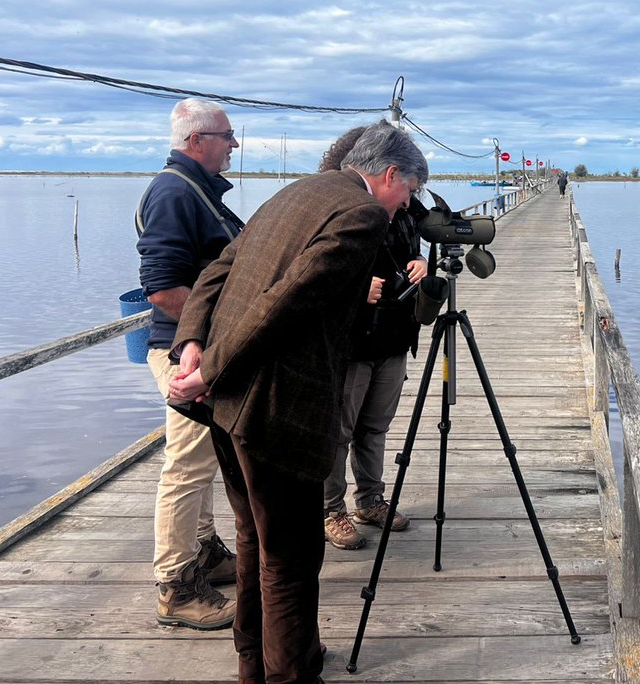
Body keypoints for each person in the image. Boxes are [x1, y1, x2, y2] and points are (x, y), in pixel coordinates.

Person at [169, 120, 428, 684]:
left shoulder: (296, 192)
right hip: (276, 408)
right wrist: (205, 368)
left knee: (252, 536)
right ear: (389, 176)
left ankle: (254, 665)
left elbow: (218, 271)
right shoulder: (361, 215)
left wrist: (191, 345)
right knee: (290, 557)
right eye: (406, 193)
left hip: (228, 404)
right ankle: (291, 673)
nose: (404, 207)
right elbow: (289, 301)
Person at [136, 98, 244, 630]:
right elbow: (161, 287)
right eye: (227, 136)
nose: (234, 145)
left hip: (198, 347)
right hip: (186, 351)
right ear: (196, 141)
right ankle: (175, 587)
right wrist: (207, 338)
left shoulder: (195, 191)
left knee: (203, 461)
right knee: (187, 468)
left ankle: (206, 553)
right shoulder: (176, 191)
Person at [315, 130, 427, 550]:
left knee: (375, 426)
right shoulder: (343, 210)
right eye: (409, 189)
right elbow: (314, 271)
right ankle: (331, 509)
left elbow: (414, 248)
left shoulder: (407, 213)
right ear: (388, 173)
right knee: (338, 430)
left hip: (395, 335)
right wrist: (358, 286)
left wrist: (420, 261)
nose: (409, 199)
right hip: (351, 340)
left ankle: (370, 499)